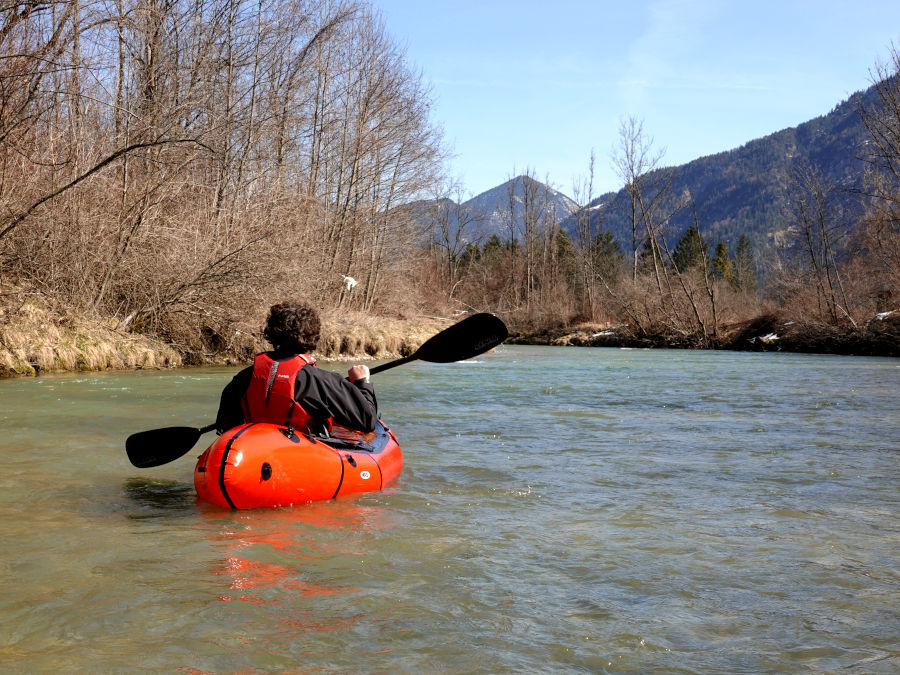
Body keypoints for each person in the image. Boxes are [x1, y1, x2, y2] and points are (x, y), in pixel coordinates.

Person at [215, 302, 377, 435]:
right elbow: (367, 422)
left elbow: (226, 427)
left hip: (255, 456)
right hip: (302, 459)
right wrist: (362, 383)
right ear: (313, 337)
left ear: (271, 333)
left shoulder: (243, 377)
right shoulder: (323, 381)